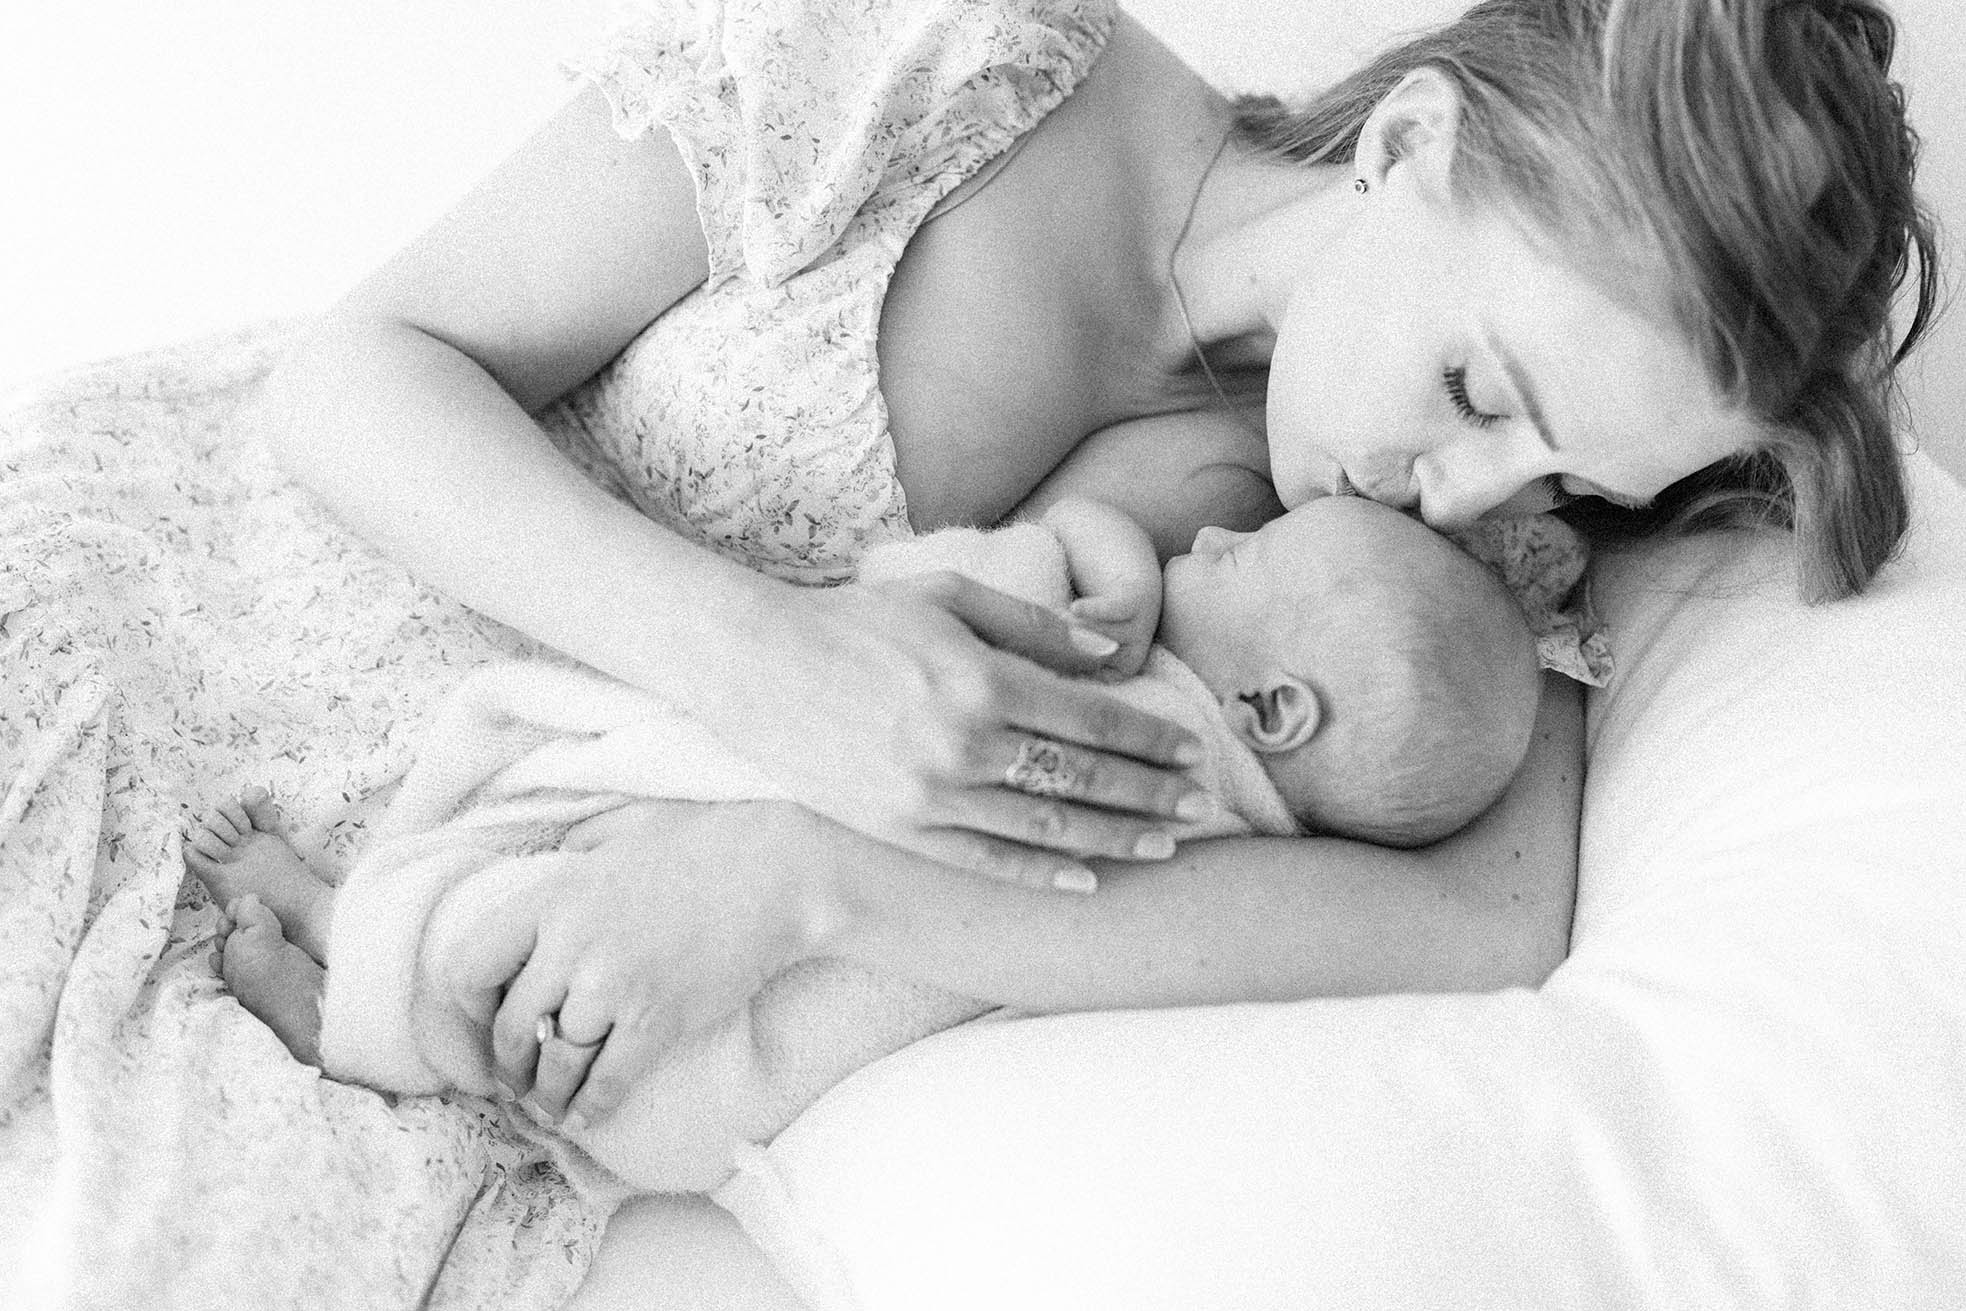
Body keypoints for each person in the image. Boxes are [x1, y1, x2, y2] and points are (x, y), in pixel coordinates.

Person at [240, 0, 1937, 1299]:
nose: (1468, 497)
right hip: (231, 624)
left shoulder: (1405, 591)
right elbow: (353, 373)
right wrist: (765, 665)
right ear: (1407, 144)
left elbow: (1474, 924)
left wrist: (799, 881)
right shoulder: (952, 60)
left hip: (486, 965)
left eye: (1572, 481)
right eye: (1478, 393)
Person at [183, 492, 1542, 1189]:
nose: (1215, 530)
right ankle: (366, 956)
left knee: (522, 928)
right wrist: (1131, 561)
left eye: (1246, 556)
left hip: (775, 952)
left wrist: (1089, 568)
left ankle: (347, 995)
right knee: (552, 939)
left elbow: (963, 587)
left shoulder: (1148, 740)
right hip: (752, 968)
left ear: (1274, 710)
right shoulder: (1241, 834)